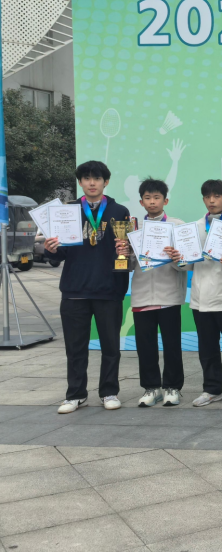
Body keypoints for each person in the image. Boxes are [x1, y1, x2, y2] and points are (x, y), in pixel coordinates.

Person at [46, 161, 132, 414]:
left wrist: (126, 250)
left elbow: (125, 253)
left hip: (109, 290)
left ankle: (109, 392)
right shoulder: (68, 211)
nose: (91, 183)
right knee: (75, 348)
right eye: (86, 178)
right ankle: (75, 394)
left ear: (106, 182)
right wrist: (50, 249)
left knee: (110, 347)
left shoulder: (120, 211)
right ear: (80, 182)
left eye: (97, 178)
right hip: (74, 290)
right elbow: (59, 254)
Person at [167, 179, 222, 408]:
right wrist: (177, 260)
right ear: (203, 199)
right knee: (207, 348)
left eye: (217, 196)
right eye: (207, 197)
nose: (212, 201)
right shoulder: (194, 227)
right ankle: (212, 389)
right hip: (201, 299)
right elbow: (187, 266)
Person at [128, 178, 187, 407]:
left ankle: (173, 387)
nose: (152, 202)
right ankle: (151, 388)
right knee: (145, 346)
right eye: (147, 198)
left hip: (169, 296)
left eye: (156, 197)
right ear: (141, 202)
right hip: (142, 295)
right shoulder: (133, 229)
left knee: (172, 344)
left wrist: (176, 258)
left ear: (165, 200)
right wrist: (125, 253)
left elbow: (186, 265)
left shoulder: (178, 226)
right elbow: (129, 266)